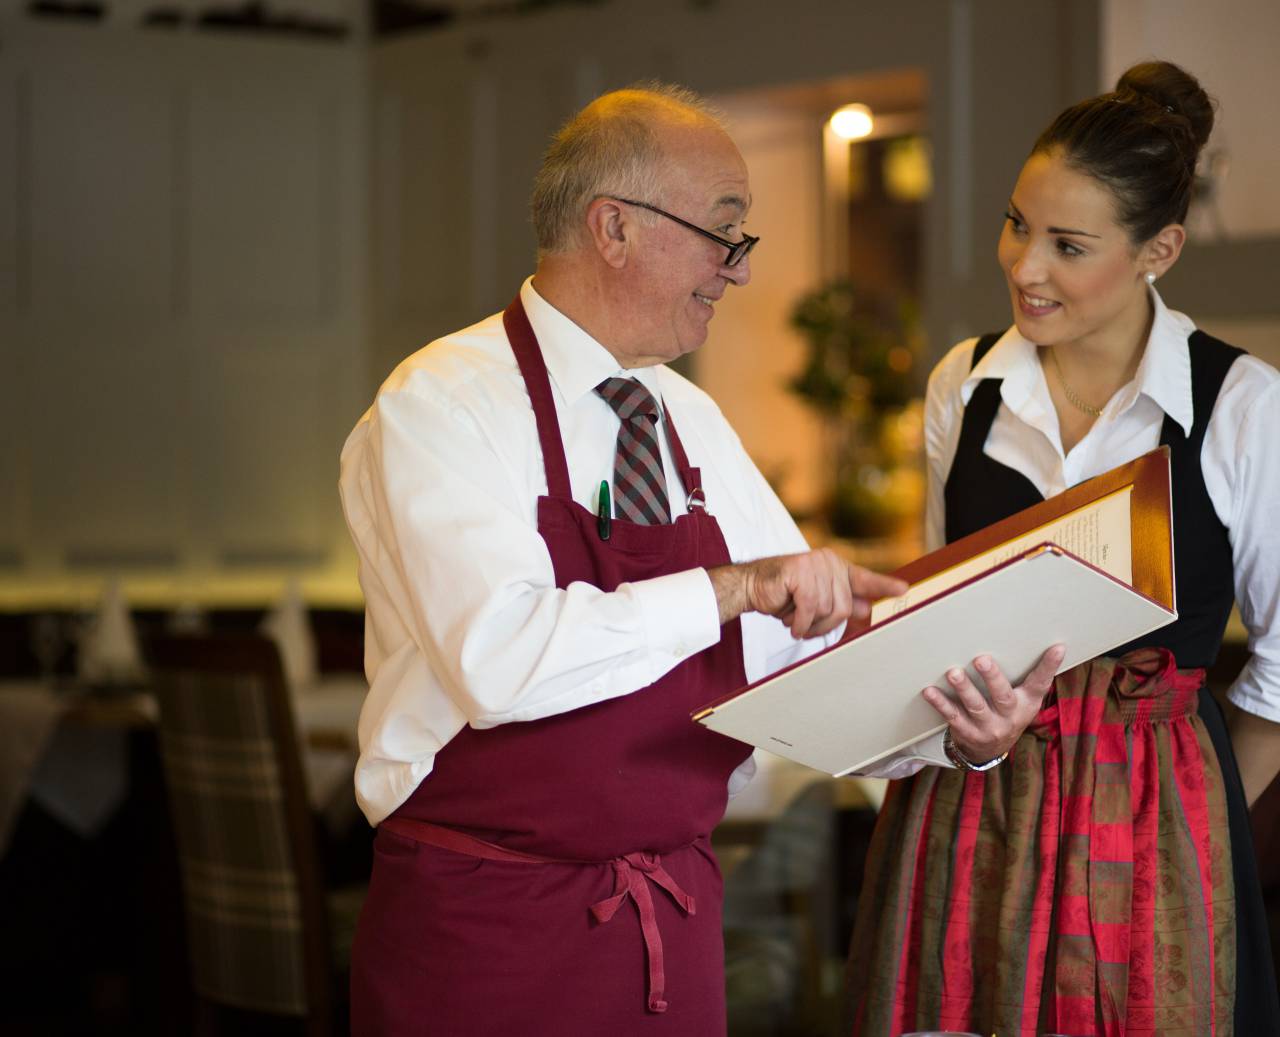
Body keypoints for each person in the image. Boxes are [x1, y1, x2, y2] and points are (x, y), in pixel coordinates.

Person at [337, 83, 1061, 1035]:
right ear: (615, 228)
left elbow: (801, 657)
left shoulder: (689, 421)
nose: (739, 269)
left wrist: (957, 730)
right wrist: (734, 586)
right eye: (725, 233)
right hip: (487, 936)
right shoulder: (441, 403)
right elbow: (497, 659)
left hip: (671, 933)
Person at [847, 60, 1280, 1037]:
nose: (1022, 266)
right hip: (966, 807)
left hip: (1152, 819)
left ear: (1156, 249)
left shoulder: (1240, 404)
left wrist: (1194, 814)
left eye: (1066, 244)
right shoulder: (962, 385)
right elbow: (929, 622)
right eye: (1015, 223)